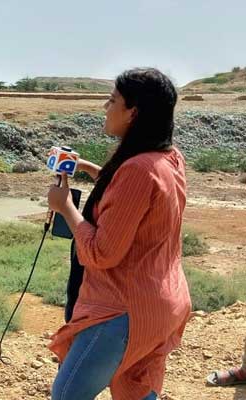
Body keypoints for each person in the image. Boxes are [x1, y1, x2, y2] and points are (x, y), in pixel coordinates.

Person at [46, 68, 192, 400]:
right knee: (134, 390)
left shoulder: (137, 170)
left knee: (67, 395)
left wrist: (66, 206)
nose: (105, 106)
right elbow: (137, 201)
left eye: (112, 100)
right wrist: (88, 168)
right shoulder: (168, 157)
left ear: (133, 113)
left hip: (124, 311)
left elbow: (101, 253)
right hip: (162, 305)